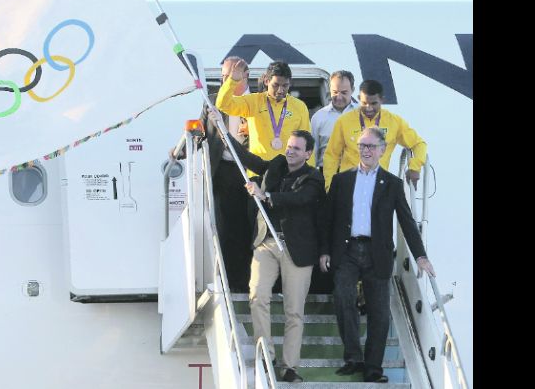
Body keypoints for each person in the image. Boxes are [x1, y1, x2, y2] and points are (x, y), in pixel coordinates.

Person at [319, 127, 435, 383]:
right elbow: (328, 219)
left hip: (377, 253)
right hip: (347, 251)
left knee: (380, 312)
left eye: (371, 146)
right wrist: (325, 250)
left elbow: (406, 221)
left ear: (382, 150)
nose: (366, 150)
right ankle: (353, 357)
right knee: (343, 298)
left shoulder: (392, 184)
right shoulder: (341, 180)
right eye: (362, 145)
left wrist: (420, 256)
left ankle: (373, 367)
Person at [229, 129, 324, 383]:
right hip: (267, 243)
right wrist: (223, 133)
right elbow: (250, 160)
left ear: (308, 154)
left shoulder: (314, 178)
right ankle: (266, 356)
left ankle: (289, 367)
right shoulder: (277, 165)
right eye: (289, 146)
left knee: (294, 311)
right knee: (257, 295)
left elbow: (300, 199)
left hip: (297, 249)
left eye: (296, 148)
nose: (290, 151)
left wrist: (266, 196)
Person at [175, 56, 253, 291]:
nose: (224, 82)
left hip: (250, 172)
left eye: (229, 77)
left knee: (249, 229)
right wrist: (181, 150)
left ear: (245, 75)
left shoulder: (257, 101)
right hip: (223, 171)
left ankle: (250, 282)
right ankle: (231, 283)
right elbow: (200, 131)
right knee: (225, 228)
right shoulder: (212, 101)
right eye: (222, 77)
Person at [322, 79, 426, 192]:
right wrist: (329, 187)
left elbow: (418, 144)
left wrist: (414, 167)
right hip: (348, 187)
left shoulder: (394, 122)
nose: (369, 108)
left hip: (378, 188)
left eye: (373, 103)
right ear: (358, 98)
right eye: (364, 103)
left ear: (382, 100)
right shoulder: (344, 121)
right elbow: (331, 155)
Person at [216, 60, 314, 171]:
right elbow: (223, 105)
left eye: (285, 85)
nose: (280, 90)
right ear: (267, 81)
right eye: (276, 85)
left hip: (288, 173)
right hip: (258, 171)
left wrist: (309, 174)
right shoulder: (254, 101)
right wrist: (232, 81)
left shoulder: (299, 106)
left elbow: (307, 144)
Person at [311, 70, 357, 176]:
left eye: (344, 93)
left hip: (356, 173)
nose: (339, 97)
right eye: (335, 92)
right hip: (327, 174)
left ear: (353, 90)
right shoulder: (318, 117)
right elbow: (313, 152)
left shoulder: (363, 114)